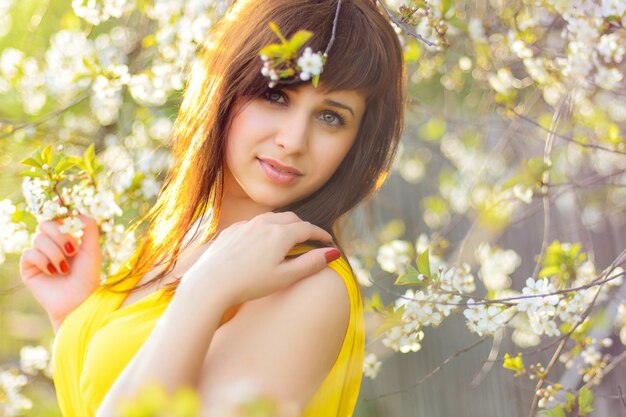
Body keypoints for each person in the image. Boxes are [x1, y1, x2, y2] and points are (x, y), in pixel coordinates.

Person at [19, 0, 405, 415]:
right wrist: (77, 319)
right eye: (275, 95)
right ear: (224, 87)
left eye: (330, 117)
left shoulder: (310, 288)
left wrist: (206, 292)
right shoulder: (187, 243)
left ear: (357, 142)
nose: (293, 140)